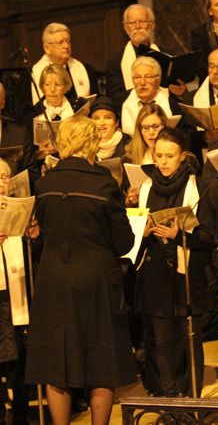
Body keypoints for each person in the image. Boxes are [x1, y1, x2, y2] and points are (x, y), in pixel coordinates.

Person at [25, 116, 135, 425]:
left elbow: (42, 234)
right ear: (93, 143)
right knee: (102, 359)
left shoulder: (45, 184)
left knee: (55, 360)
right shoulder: (102, 183)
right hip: (95, 279)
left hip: (52, 278)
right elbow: (123, 241)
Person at [134, 128, 215, 397]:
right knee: (161, 341)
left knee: (188, 340)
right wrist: (142, 232)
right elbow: (133, 232)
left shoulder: (197, 187)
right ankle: (169, 400)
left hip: (187, 276)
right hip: (156, 274)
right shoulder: (146, 187)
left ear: (183, 156)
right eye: (159, 156)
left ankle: (192, 399)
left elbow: (207, 236)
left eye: (170, 155)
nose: (164, 161)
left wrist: (179, 235)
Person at [0, 158, 33, 424]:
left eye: (5, 177)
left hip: (15, 288)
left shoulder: (17, 206)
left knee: (18, 355)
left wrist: (34, 234)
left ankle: (21, 412)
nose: (2, 182)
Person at [105, 4, 160, 107]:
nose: (138, 26)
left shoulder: (165, 56)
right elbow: (114, 97)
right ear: (125, 27)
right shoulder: (116, 62)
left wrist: (180, 92)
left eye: (142, 22)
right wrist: (145, 93)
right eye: (132, 23)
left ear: (152, 25)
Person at [30, 23, 97, 103]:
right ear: (47, 48)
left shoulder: (86, 70)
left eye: (68, 41)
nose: (66, 46)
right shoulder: (31, 74)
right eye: (60, 42)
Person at [120, 56, 180, 136]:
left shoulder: (173, 105)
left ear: (158, 79)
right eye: (137, 77)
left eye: (148, 77)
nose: (142, 82)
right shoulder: (120, 103)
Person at [90, 96, 130, 161]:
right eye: (96, 118)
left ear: (117, 122)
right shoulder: (84, 147)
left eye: (107, 117)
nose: (101, 123)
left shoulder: (129, 145)